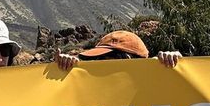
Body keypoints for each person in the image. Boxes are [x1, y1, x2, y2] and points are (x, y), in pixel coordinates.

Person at [53, 30, 181, 69]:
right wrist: (66, 65)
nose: (104, 63)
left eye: (115, 59)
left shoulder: (154, 83)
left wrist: (175, 61)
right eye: (100, 59)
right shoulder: (93, 86)